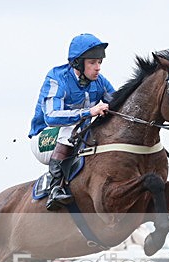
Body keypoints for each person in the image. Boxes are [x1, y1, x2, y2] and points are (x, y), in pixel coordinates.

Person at [28, 33, 115, 211]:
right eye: (92, 63)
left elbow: (118, 104)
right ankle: (55, 186)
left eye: (99, 62)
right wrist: (89, 112)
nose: (98, 68)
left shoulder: (99, 82)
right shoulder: (56, 78)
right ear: (77, 63)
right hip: (45, 138)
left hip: (76, 139)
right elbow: (51, 117)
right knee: (72, 127)